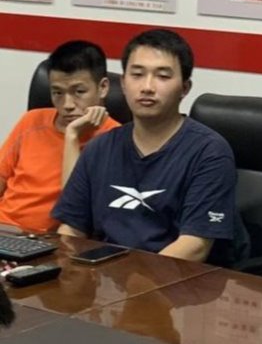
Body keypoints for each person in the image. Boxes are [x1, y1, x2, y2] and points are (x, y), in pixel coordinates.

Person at [53, 29, 238, 263]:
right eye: (137, 74)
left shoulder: (209, 152)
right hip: (102, 276)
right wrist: (65, 271)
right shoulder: (99, 148)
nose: (147, 87)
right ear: (123, 83)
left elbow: (194, 246)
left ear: (185, 88)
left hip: (176, 280)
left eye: (163, 76)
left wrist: (131, 281)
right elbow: (71, 228)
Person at [0, 41, 118, 233]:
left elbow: (75, 207)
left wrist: (72, 136)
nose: (67, 104)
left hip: (44, 240)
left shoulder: (114, 138)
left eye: (79, 92)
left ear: (103, 87)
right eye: (58, 93)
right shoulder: (32, 121)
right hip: (4, 229)